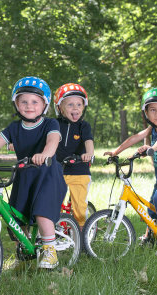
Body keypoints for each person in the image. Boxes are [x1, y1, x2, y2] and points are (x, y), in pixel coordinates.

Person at [0, 76, 67, 269]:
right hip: (24, 174)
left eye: (35, 101)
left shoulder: (50, 124)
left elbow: (53, 141)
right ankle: (23, 253)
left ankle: (50, 249)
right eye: (23, 101)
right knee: (15, 216)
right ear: (16, 104)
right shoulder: (14, 128)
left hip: (47, 174)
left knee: (42, 212)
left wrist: (44, 154)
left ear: (45, 105)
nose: (29, 105)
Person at [104, 88, 157, 257]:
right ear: (146, 112)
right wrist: (115, 152)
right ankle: (151, 236)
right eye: (152, 110)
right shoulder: (151, 130)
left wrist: (152, 148)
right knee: (151, 210)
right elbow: (134, 138)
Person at [54, 83, 94, 228]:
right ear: (59, 107)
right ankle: (55, 231)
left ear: (83, 107)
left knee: (79, 209)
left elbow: (88, 141)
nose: (75, 107)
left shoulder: (84, 126)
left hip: (79, 170)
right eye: (70, 104)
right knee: (53, 204)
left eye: (79, 104)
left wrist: (89, 153)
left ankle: (82, 234)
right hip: (57, 170)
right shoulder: (54, 124)